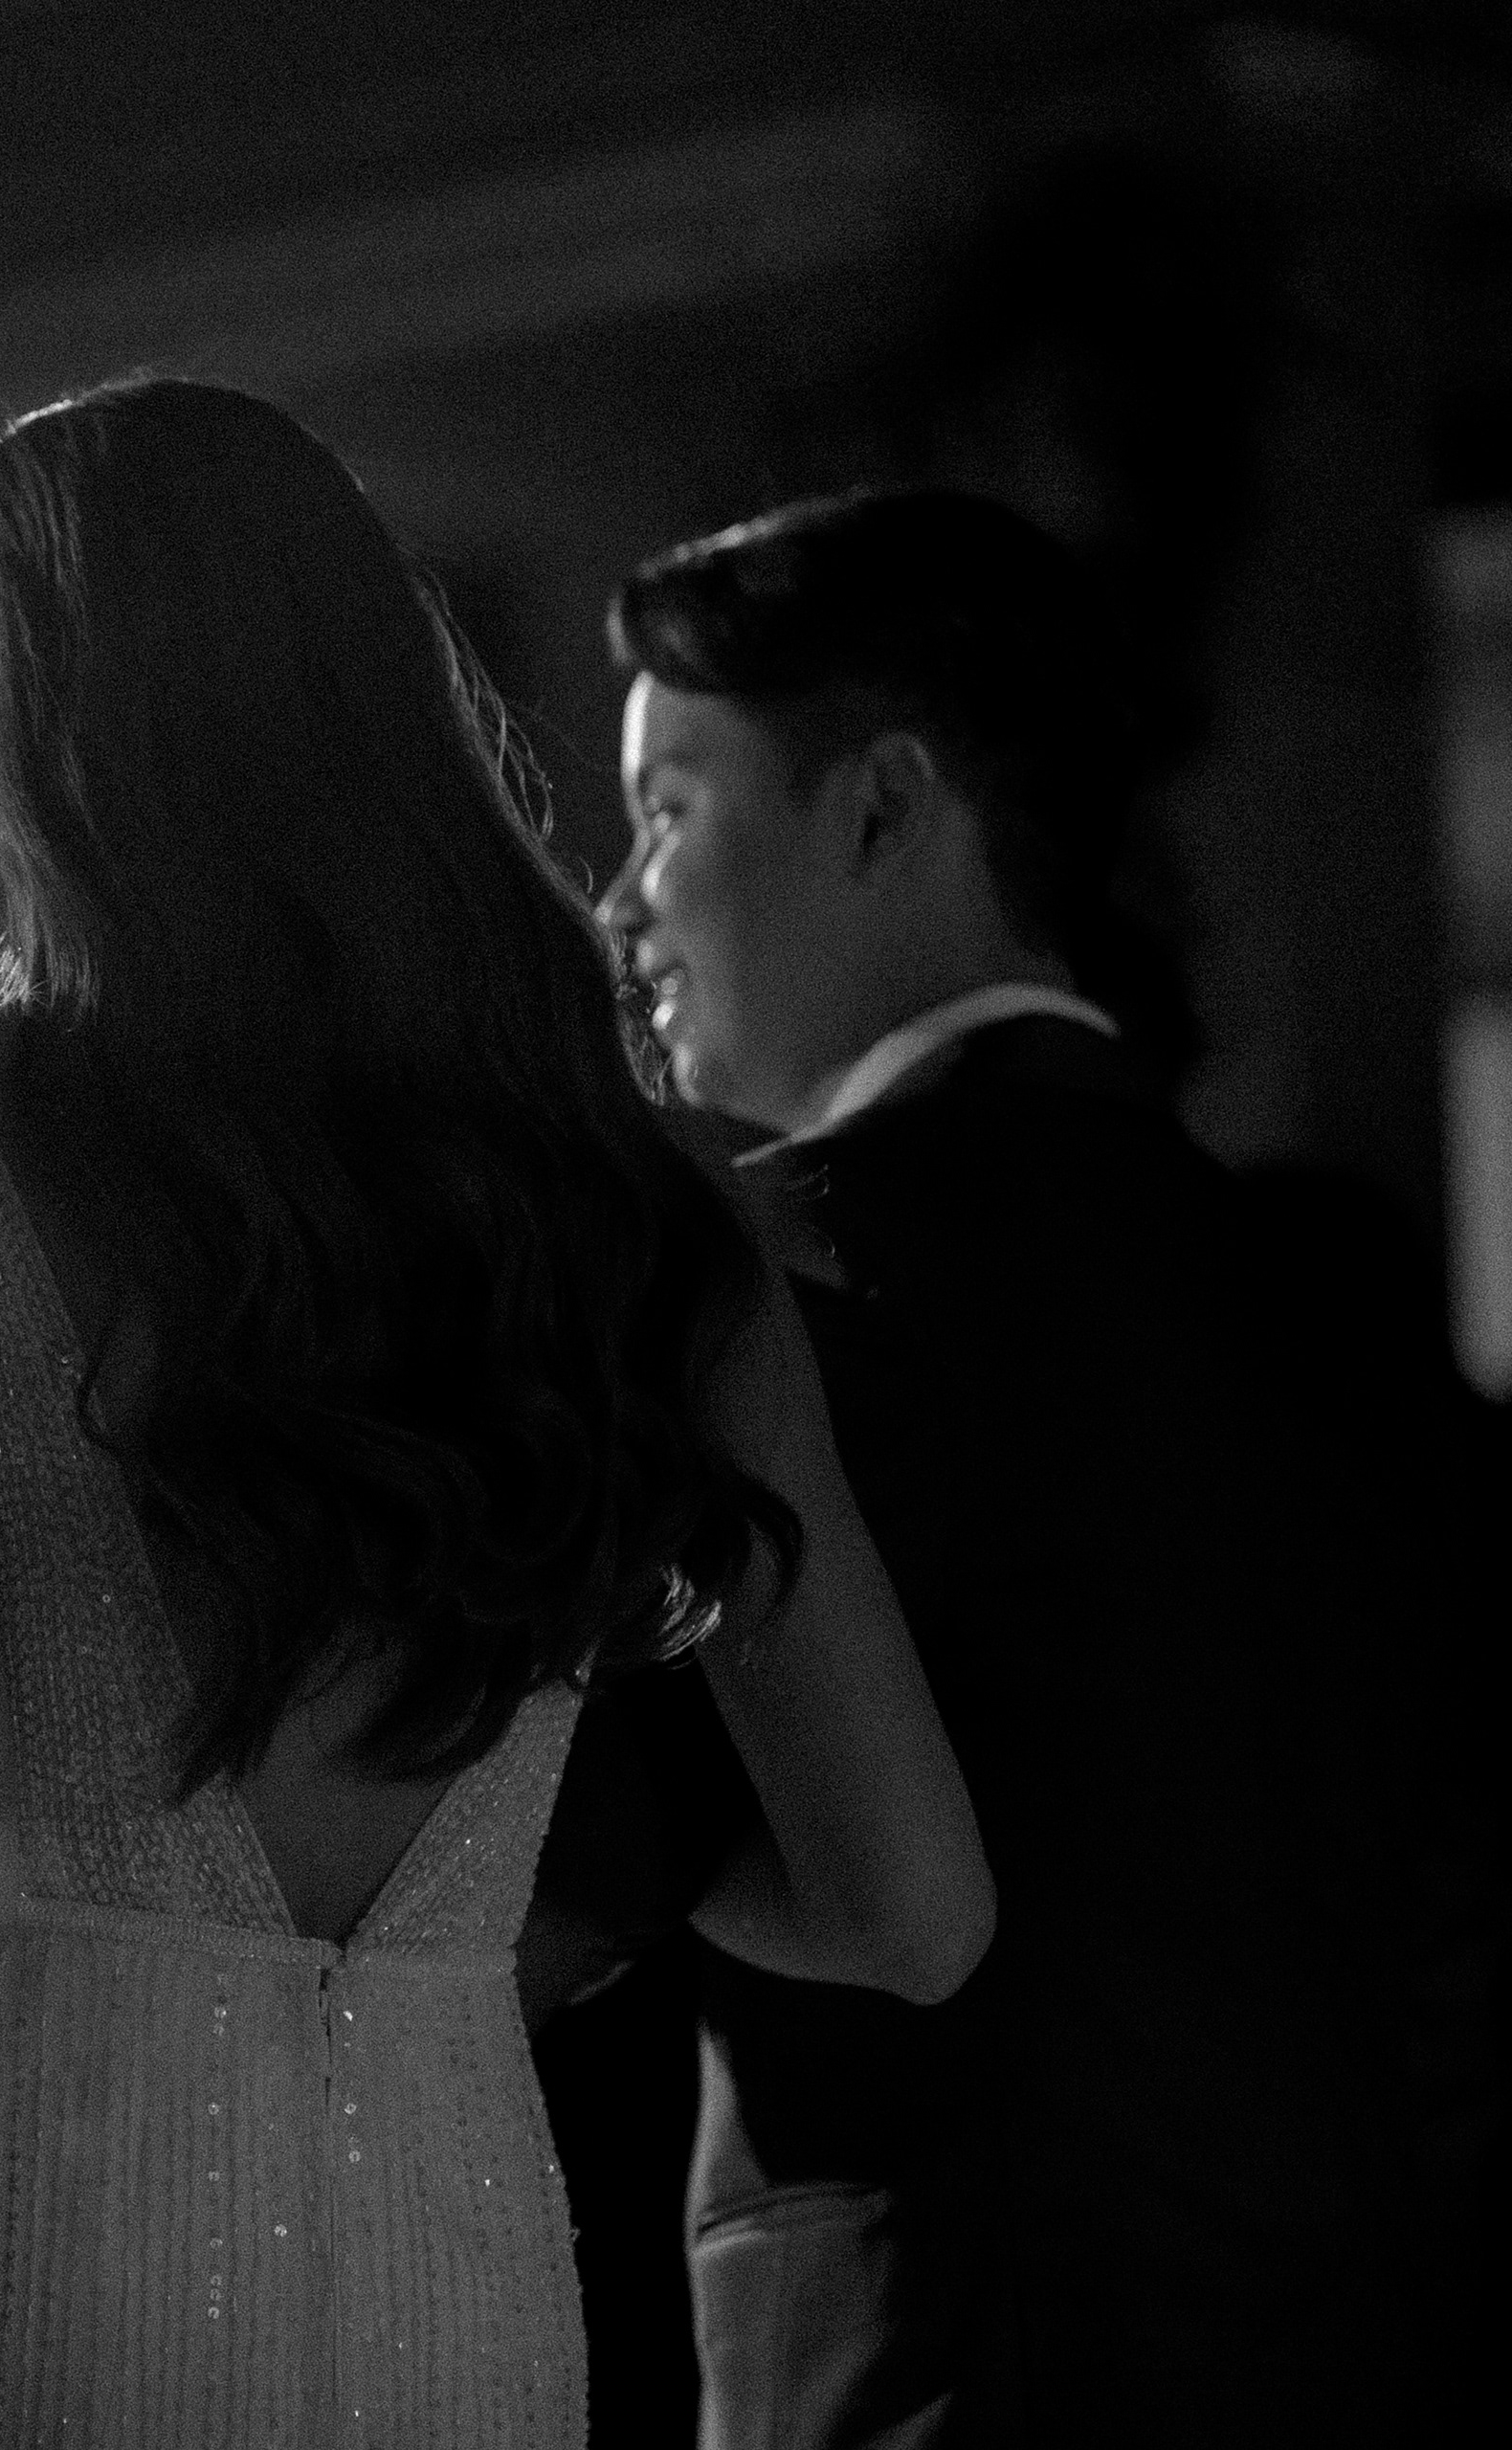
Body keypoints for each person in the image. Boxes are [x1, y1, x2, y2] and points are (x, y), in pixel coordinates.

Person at [0, 381, 993, 2448]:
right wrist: (458, 1911)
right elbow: (913, 1912)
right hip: (455, 2308)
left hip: (20, 2278)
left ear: (2, 734)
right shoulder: (641, 1209)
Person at [576, 488, 1480, 2445]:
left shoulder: (767, 1287)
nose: (619, 906)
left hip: (937, 2369)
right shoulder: (1339, 1294)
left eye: (667, 811)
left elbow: (593, 1853)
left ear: (885, 807)